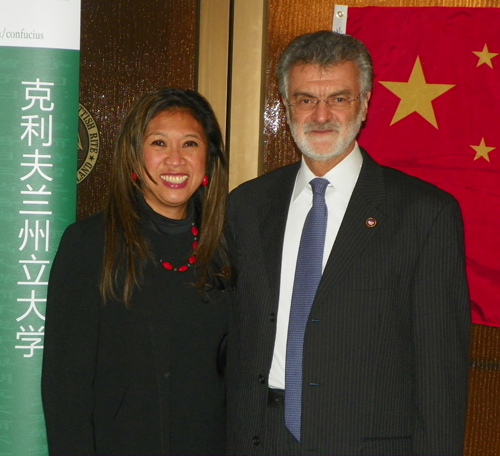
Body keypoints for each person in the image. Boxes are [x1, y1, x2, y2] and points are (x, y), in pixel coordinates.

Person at [225, 31, 470, 455]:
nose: (321, 116)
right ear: (286, 107)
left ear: (365, 103)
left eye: (338, 98)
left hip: (364, 444)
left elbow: (440, 372)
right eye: (305, 100)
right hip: (257, 438)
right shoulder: (247, 205)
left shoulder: (424, 214)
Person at [42, 88, 230, 456]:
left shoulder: (228, 248)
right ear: (134, 156)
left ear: (208, 160)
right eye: (159, 143)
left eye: (190, 144)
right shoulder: (89, 245)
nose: (175, 161)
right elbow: (66, 389)